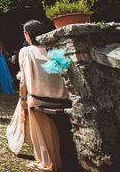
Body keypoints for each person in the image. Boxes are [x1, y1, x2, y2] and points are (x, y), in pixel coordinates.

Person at [8, 20, 70, 171]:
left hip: (39, 99)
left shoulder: (26, 51)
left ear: (28, 35)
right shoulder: (54, 50)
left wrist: (22, 98)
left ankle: (44, 159)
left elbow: (24, 82)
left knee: (23, 107)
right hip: (63, 98)